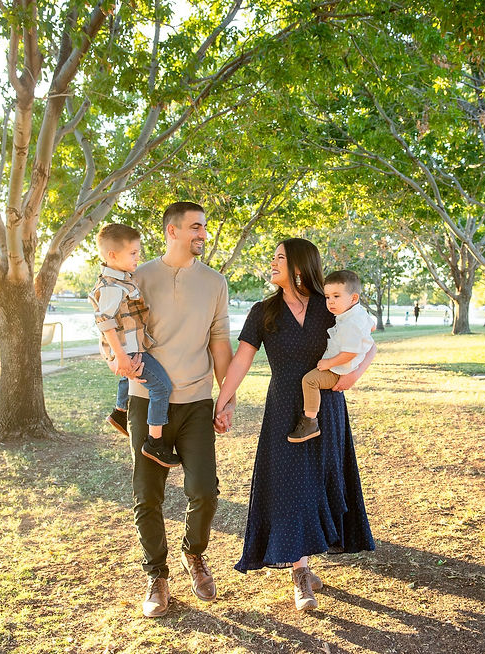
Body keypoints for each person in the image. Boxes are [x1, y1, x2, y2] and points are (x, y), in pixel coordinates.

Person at [214, 238, 376, 612]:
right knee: (290, 485)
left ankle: (308, 558)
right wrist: (222, 402)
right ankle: (300, 571)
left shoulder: (330, 305)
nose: (272, 262)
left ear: (300, 266)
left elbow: (368, 343)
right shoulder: (263, 311)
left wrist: (353, 377)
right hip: (283, 409)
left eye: (280, 258)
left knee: (319, 482)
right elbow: (241, 360)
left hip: (326, 406)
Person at [112, 202, 234, 618]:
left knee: (204, 490)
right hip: (147, 402)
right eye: (196, 227)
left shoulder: (215, 282)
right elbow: (111, 328)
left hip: (197, 401)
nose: (203, 233)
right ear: (172, 231)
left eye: (204, 227)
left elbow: (219, 340)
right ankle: (156, 575)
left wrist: (226, 396)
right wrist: (114, 361)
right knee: (147, 496)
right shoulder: (137, 277)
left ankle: (193, 554)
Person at [89, 223, 177, 468]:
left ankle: (120, 410)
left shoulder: (120, 280)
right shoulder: (111, 287)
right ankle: (155, 443)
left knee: (137, 381)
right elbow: (104, 321)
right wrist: (120, 356)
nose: (138, 257)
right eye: (133, 253)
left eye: (138, 252)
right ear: (112, 255)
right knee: (161, 388)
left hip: (129, 348)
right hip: (127, 352)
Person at [286, 270, 375, 443]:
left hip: (339, 369)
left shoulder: (351, 323)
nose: (330, 302)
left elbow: (350, 353)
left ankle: (310, 421)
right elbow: (372, 327)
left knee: (310, 381)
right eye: (327, 297)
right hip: (342, 365)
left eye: (336, 296)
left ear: (354, 298)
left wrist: (329, 363)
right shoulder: (357, 314)